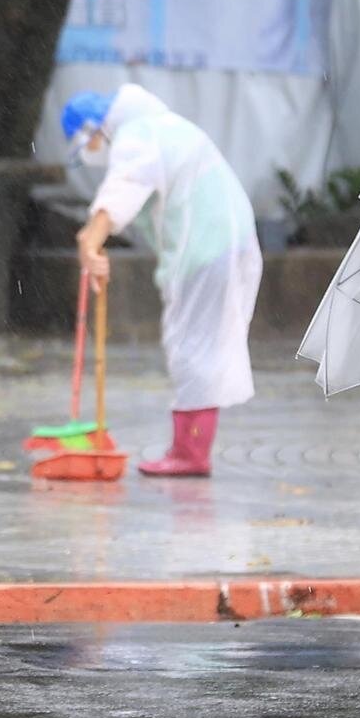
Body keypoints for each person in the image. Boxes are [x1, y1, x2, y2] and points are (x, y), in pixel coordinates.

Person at [62, 85, 263, 477]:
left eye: (86, 145)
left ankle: (189, 453)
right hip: (225, 244)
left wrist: (92, 237)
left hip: (207, 249)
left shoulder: (139, 134)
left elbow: (125, 183)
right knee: (203, 344)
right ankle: (189, 449)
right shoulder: (163, 127)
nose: (91, 155)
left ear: (94, 129)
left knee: (194, 345)